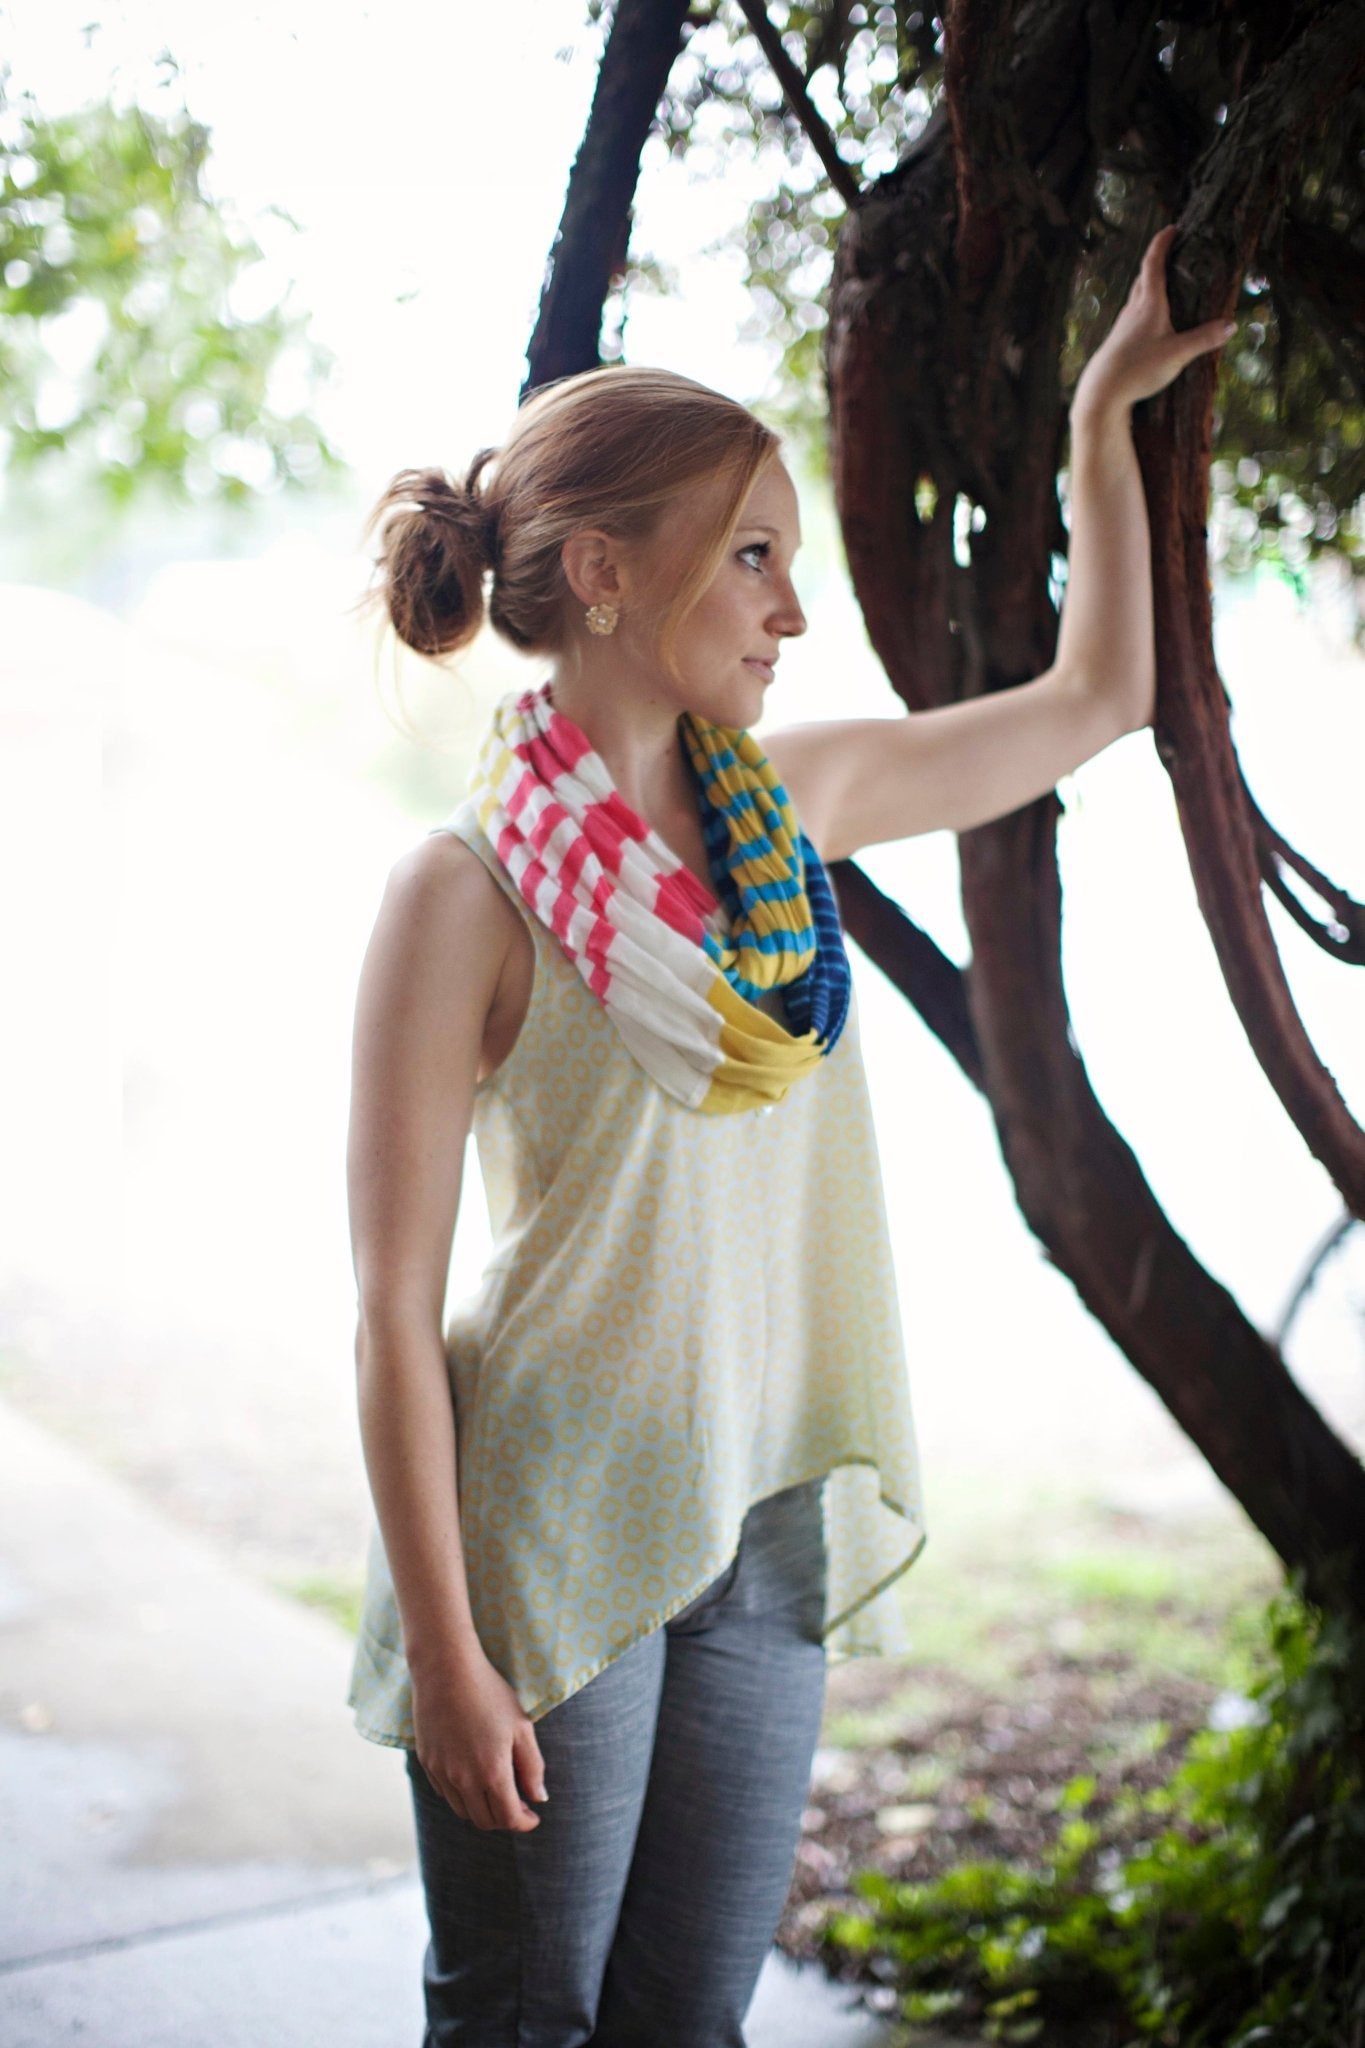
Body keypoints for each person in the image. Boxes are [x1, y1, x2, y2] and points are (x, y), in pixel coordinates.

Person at [344, 223, 1233, 2047]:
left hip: (759, 1524)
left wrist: (1104, 410)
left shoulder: (790, 811)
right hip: (547, 1530)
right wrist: (443, 1652)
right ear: (604, 574)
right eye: (752, 556)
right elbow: (389, 1312)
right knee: (520, 2019)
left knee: (689, 2022)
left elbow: (1097, 702)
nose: (790, 611)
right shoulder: (460, 897)